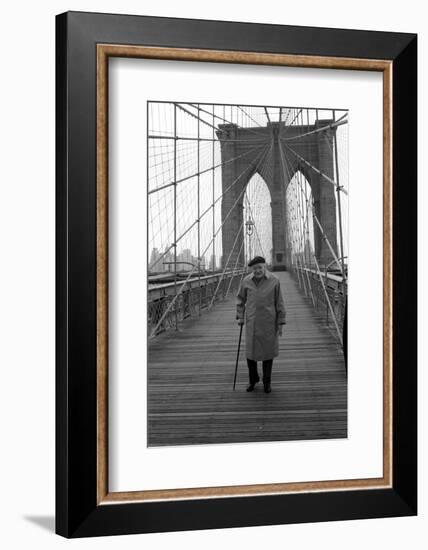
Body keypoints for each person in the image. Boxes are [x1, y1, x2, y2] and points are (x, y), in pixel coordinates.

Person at [236, 256, 286, 393]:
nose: (257, 270)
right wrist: (240, 317)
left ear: (265, 266)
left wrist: (281, 321)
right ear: (251, 269)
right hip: (252, 323)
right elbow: (240, 299)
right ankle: (253, 380)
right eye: (254, 268)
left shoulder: (275, 281)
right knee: (250, 354)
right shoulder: (246, 281)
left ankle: (267, 382)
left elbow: (279, 302)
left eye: (260, 267)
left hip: (269, 323)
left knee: (267, 353)